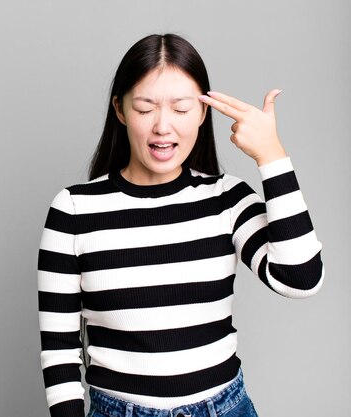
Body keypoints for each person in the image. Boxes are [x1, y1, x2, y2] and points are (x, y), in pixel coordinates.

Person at [37, 33, 323, 417]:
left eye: (181, 109)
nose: (162, 126)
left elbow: (301, 278)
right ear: (119, 110)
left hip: (224, 408)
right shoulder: (73, 210)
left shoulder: (227, 199)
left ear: (203, 113)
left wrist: (272, 155)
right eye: (145, 108)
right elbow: (59, 353)